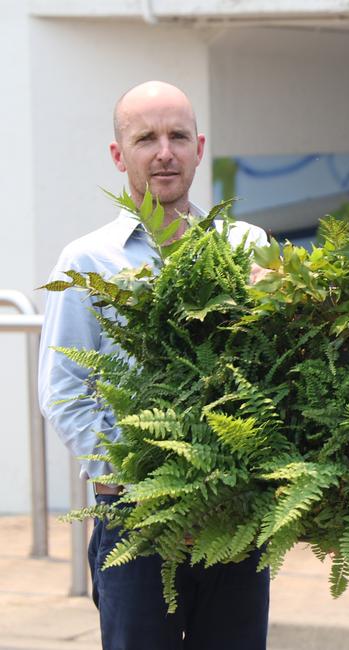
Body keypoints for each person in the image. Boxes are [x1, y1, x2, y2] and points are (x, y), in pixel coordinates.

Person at [38, 81, 270, 650]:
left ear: (199, 147)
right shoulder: (88, 261)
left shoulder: (249, 247)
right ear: (119, 155)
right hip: (133, 520)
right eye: (146, 138)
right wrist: (133, 474)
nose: (164, 151)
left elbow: (278, 377)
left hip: (233, 514)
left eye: (178, 136)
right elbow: (63, 389)